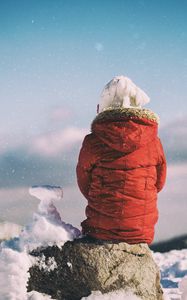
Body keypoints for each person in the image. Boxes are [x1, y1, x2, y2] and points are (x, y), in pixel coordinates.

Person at [76, 75, 167, 244]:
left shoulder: (93, 141)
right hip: (141, 231)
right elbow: (159, 182)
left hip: (101, 230)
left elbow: (84, 183)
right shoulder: (154, 141)